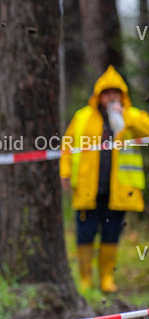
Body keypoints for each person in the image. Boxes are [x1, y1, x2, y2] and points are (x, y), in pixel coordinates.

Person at [60, 66, 149, 293]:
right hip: (88, 188)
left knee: (111, 234)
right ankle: (85, 280)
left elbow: (146, 131)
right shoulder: (82, 117)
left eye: (115, 92)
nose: (111, 97)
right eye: (107, 92)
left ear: (122, 95)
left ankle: (107, 279)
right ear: (99, 95)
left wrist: (123, 115)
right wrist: (65, 172)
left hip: (118, 190)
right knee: (85, 233)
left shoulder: (132, 116)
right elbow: (67, 146)